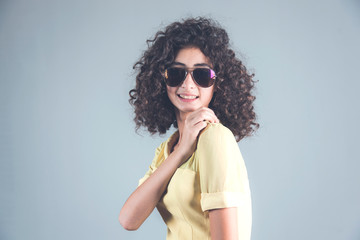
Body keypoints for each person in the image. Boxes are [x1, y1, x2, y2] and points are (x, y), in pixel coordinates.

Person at [119, 17, 259, 240]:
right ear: (161, 80)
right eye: (176, 73)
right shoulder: (169, 148)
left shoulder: (215, 138)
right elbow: (128, 220)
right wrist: (182, 151)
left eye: (202, 75)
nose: (188, 84)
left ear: (219, 84)